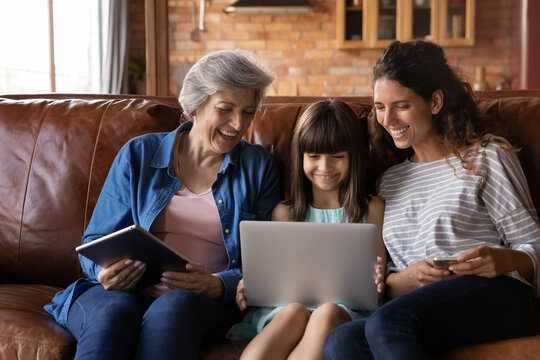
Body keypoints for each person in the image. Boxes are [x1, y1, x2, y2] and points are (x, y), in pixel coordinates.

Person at [44, 49, 283, 360]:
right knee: (112, 317)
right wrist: (104, 270)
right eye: (225, 109)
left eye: (248, 112)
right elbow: (95, 242)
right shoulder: (138, 155)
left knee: (175, 307)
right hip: (126, 292)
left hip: (201, 302)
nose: (238, 124)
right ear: (196, 105)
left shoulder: (258, 167)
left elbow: (269, 266)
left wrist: (216, 285)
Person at [324, 40, 540, 359]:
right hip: (419, 306)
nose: (388, 120)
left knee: (389, 322)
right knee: (341, 341)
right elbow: (386, 281)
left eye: (401, 105)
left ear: (435, 101)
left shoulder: (486, 157)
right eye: (380, 107)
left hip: (498, 292)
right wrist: (404, 279)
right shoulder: (389, 181)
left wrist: (505, 259)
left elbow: (534, 244)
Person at [229, 99, 386, 360]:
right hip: (287, 307)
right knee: (293, 310)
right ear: (300, 157)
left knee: (327, 311)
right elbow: (273, 275)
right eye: (313, 157)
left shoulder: (373, 208)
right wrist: (251, 284)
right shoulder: (285, 213)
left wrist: (377, 281)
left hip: (345, 309)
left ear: (353, 157)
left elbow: (376, 279)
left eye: (337, 157)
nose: (324, 167)